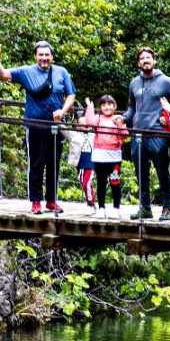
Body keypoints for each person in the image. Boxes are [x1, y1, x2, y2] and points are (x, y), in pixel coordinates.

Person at [0, 41, 76, 215]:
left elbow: (71, 94)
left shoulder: (61, 72)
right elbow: (3, 75)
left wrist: (63, 111)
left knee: (53, 163)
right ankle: (35, 201)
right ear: (35, 56)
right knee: (36, 163)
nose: (44, 58)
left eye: (47, 55)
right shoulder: (26, 71)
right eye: (40, 55)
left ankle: (51, 201)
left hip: (55, 126)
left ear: (52, 56)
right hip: (34, 124)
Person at [123, 47, 170, 221]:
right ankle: (145, 208)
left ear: (154, 61)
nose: (146, 60)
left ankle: (167, 208)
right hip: (138, 134)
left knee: (163, 171)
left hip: (158, 133)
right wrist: (123, 118)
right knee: (141, 173)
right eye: (142, 58)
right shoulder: (134, 83)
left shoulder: (166, 81)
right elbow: (132, 107)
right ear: (138, 63)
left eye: (148, 57)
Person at [81, 96, 128, 218]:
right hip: (100, 157)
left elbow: (124, 135)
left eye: (110, 104)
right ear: (100, 107)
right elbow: (89, 122)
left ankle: (116, 208)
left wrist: (120, 124)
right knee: (101, 183)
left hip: (114, 158)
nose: (107, 107)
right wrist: (90, 107)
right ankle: (101, 208)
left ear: (115, 106)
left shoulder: (118, 119)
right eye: (103, 105)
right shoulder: (98, 118)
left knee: (115, 182)